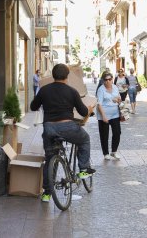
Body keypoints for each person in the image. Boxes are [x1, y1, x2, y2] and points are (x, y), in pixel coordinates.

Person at [30, 64, 95, 202]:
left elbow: (33, 107)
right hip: (68, 127)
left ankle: (47, 193)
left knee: (50, 158)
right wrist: (89, 109)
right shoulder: (72, 91)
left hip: (49, 128)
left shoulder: (44, 90)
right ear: (67, 76)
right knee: (84, 139)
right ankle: (83, 169)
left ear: (53, 76)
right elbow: (83, 112)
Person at [96, 72, 122, 160]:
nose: (108, 81)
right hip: (104, 115)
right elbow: (99, 104)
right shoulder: (101, 89)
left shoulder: (115, 87)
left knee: (117, 133)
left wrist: (118, 100)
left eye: (110, 79)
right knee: (104, 135)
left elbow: (118, 98)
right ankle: (105, 153)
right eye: (106, 80)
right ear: (103, 81)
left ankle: (114, 152)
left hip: (115, 114)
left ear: (112, 80)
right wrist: (103, 116)